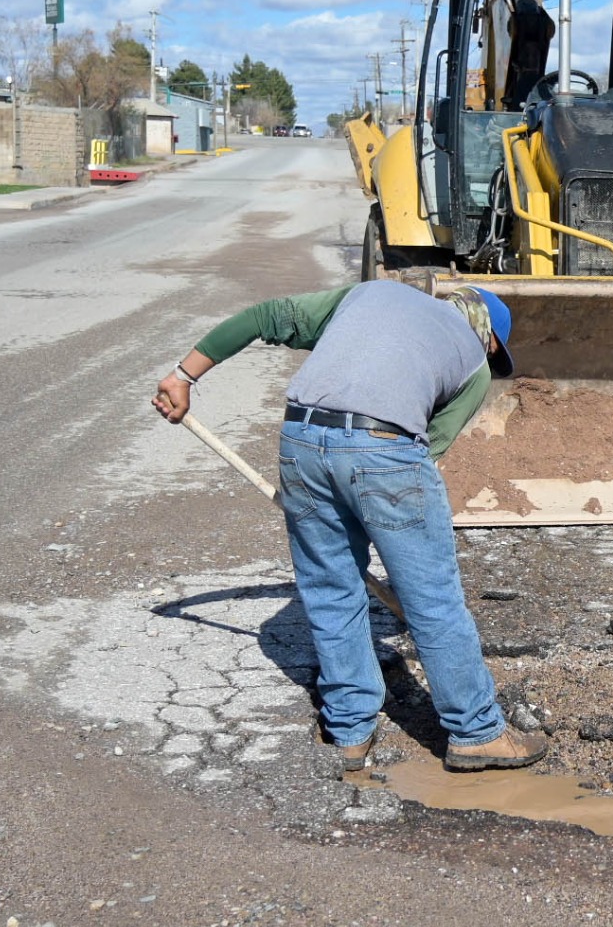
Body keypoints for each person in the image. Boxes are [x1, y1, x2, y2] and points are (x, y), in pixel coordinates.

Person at [151, 280, 548, 775]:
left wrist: (182, 377)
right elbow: (426, 450)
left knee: (330, 589)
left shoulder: (368, 295)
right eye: (494, 352)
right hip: (384, 448)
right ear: (487, 337)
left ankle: (350, 730)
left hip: (301, 438)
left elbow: (264, 315)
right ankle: (476, 733)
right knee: (432, 599)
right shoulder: (474, 363)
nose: (490, 359)